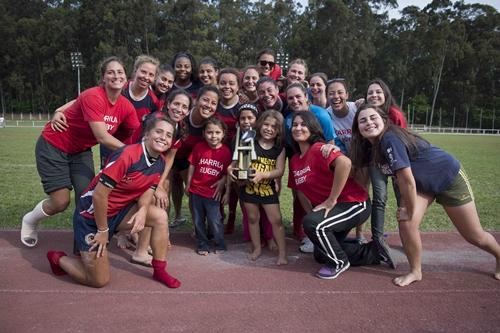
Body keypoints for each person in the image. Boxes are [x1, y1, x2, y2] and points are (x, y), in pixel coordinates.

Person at [350, 103, 500, 286]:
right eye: (362, 120)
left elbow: (406, 180)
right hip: (422, 184)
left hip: (448, 178)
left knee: (474, 236)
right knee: (406, 223)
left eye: (373, 118)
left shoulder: (390, 139)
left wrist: (410, 210)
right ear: (357, 128)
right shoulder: (370, 147)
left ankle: (499, 255)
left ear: (384, 120)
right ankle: (415, 271)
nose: (369, 123)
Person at [46, 116, 181, 288]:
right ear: (146, 134)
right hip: (92, 217)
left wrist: (142, 210)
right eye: (159, 131)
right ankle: (59, 258)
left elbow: (149, 189)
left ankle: (160, 270)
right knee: (98, 280)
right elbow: (99, 196)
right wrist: (103, 230)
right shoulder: (128, 155)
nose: (163, 137)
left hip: (119, 211)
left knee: (160, 217)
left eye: (169, 135)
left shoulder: (160, 162)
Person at [21, 56, 140, 247]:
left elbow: (132, 134)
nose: (116, 75)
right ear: (103, 78)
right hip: (53, 144)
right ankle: (30, 219)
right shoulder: (94, 95)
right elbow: (102, 137)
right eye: (110, 72)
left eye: (120, 72)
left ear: (126, 78)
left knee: (87, 198)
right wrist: (135, 152)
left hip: (80, 151)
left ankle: (82, 246)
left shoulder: (126, 107)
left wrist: (138, 151)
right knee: (61, 202)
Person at [288, 111, 395, 280]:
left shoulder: (319, 149)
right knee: (320, 252)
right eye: (294, 125)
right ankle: (374, 252)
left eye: (303, 124)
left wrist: (331, 200)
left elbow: (345, 163)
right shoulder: (294, 160)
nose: (298, 128)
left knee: (314, 226)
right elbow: (299, 190)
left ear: (313, 129)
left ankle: (339, 262)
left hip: (355, 204)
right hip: (337, 208)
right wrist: (313, 215)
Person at [284, 82, 345, 252]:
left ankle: (327, 230)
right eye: (290, 98)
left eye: (298, 96)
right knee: (301, 194)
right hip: (300, 161)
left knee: (322, 195)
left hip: (322, 160)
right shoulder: (288, 120)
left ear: (306, 96)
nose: (295, 100)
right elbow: (293, 146)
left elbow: (330, 143)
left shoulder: (321, 114)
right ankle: (308, 231)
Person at [232, 110, 287, 265]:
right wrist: (235, 170)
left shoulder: (279, 147)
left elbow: (280, 170)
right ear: (260, 124)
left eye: (274, 127)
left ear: (278, 131)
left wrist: (263, 175)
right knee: (252, 218)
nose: (269, 129)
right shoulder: (249, 139)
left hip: (267, 189)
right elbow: (239, 161)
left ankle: (282, 253)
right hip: (249, 188)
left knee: (276, 220)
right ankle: (257, 248)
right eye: (266, 124)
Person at [169, 85, 220, 229]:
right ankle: (167, 226)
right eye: (205, 100)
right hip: (169, 155)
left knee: (193, 192)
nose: (208, 105)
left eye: (213, 103)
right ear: (196, 100)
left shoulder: (212, 123)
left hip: (189, 160)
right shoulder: (182, 114)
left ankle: (199, 228)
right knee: (165, 190)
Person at [365, 78, 407, 243]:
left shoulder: (394, 114)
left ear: (386, 94)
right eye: (370, 92)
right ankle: (377, 239)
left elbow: (404, 139)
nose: (374, 95)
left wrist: (401, 169)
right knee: (379, 198)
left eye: (378, 92)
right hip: (376, 160)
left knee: (402, 200)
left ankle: (407, 237)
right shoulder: (366, 112)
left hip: (397, 162)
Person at [185, 117, 232, 255]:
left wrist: (227, 192)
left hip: (213, 193)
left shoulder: (226, 151)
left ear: (223, 133)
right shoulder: (199, 147)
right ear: (204, 133)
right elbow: (192, 165)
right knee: (199, 221)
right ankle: (202, 244)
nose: (213, 136)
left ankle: (219, 243)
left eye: (217, 133)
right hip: (196, 190)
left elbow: (227, 173)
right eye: (210, 132)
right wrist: (188, 183)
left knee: (215, 220)